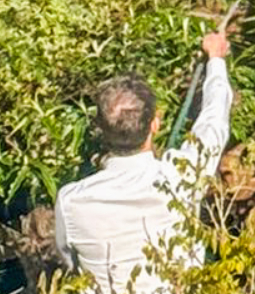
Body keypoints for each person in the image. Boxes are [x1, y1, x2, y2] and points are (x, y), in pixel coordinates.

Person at [54, 31, 232, 293]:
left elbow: (69, 263)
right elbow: (215, 119)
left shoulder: (70, 201)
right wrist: (215, 59)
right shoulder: (183, 177)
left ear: (99, 129)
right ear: (155, 124)